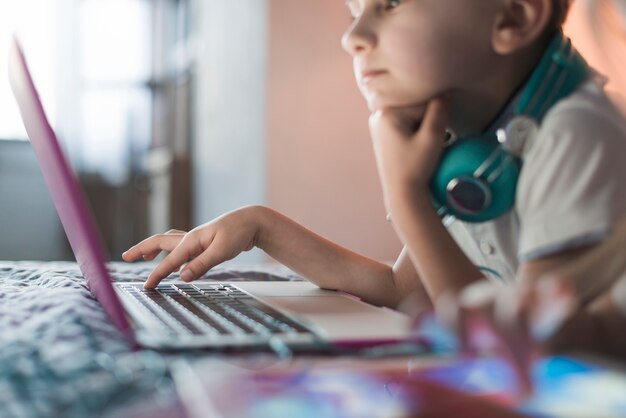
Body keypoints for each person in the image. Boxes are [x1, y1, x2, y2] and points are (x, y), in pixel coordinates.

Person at [123, 0, 626, 335]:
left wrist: (406, 198)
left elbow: (521, 351)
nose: (353, 37)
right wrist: (260, 226)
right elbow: (404, 290)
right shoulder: (474, 143)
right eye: (353, 11)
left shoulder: (576, 134)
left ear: (513, 17)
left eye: (389, 3)